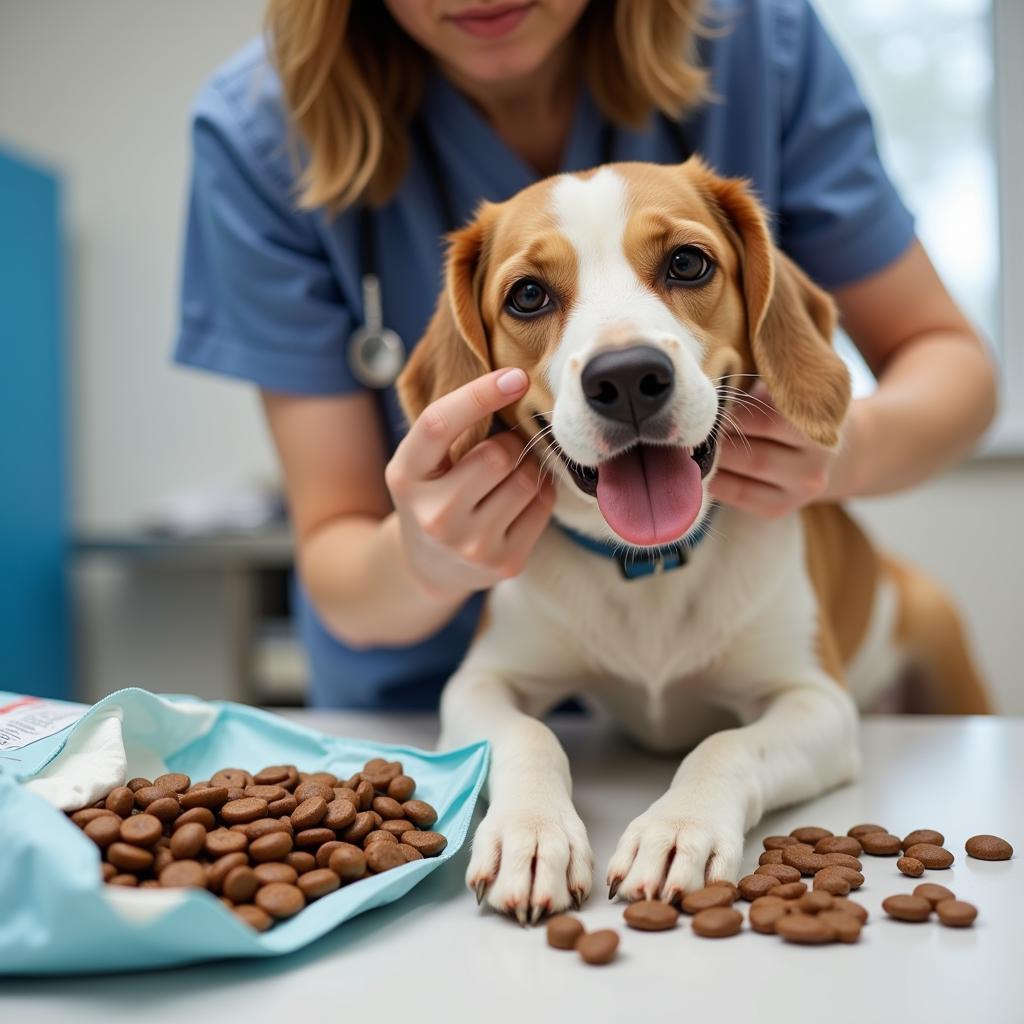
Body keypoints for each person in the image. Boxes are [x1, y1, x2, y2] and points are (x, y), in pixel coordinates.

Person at [175, 0, 996, 709]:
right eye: (528, 298)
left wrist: (848, 449)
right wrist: (420, 558)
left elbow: (951, 359)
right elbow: (336, 549)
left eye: (684, 265)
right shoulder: (259, 131)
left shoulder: (754, 35)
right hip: (442, 716)